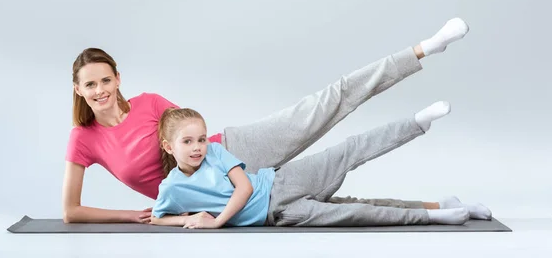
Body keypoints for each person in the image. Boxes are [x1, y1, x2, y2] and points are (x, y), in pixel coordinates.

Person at [63, 17, 472, 224]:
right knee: (339, 207)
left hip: (237, 149)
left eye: (105, 80)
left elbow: (191, 134)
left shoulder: (150, 103)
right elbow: (71, 210)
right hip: (216, 198)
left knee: (328, 101)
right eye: (90, 85)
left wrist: (213, 154)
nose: (100, 90)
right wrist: (132, 214)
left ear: (118, 79)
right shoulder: (84, 138)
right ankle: (436, 208)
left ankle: (424, 49)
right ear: (78, 90)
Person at [151, 106, 492, 228]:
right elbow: (157, 216)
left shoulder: (214, 153)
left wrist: (216, 222)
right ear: (169, 147)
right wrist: (187, 219)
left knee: (348, 151)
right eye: (187, 142)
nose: (197, 147)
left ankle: (417, 122)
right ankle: (437, 213)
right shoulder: (172, 187)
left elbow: (245, 187)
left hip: (282, 183)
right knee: (361, 213)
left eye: (200, 139)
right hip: (281, 216)